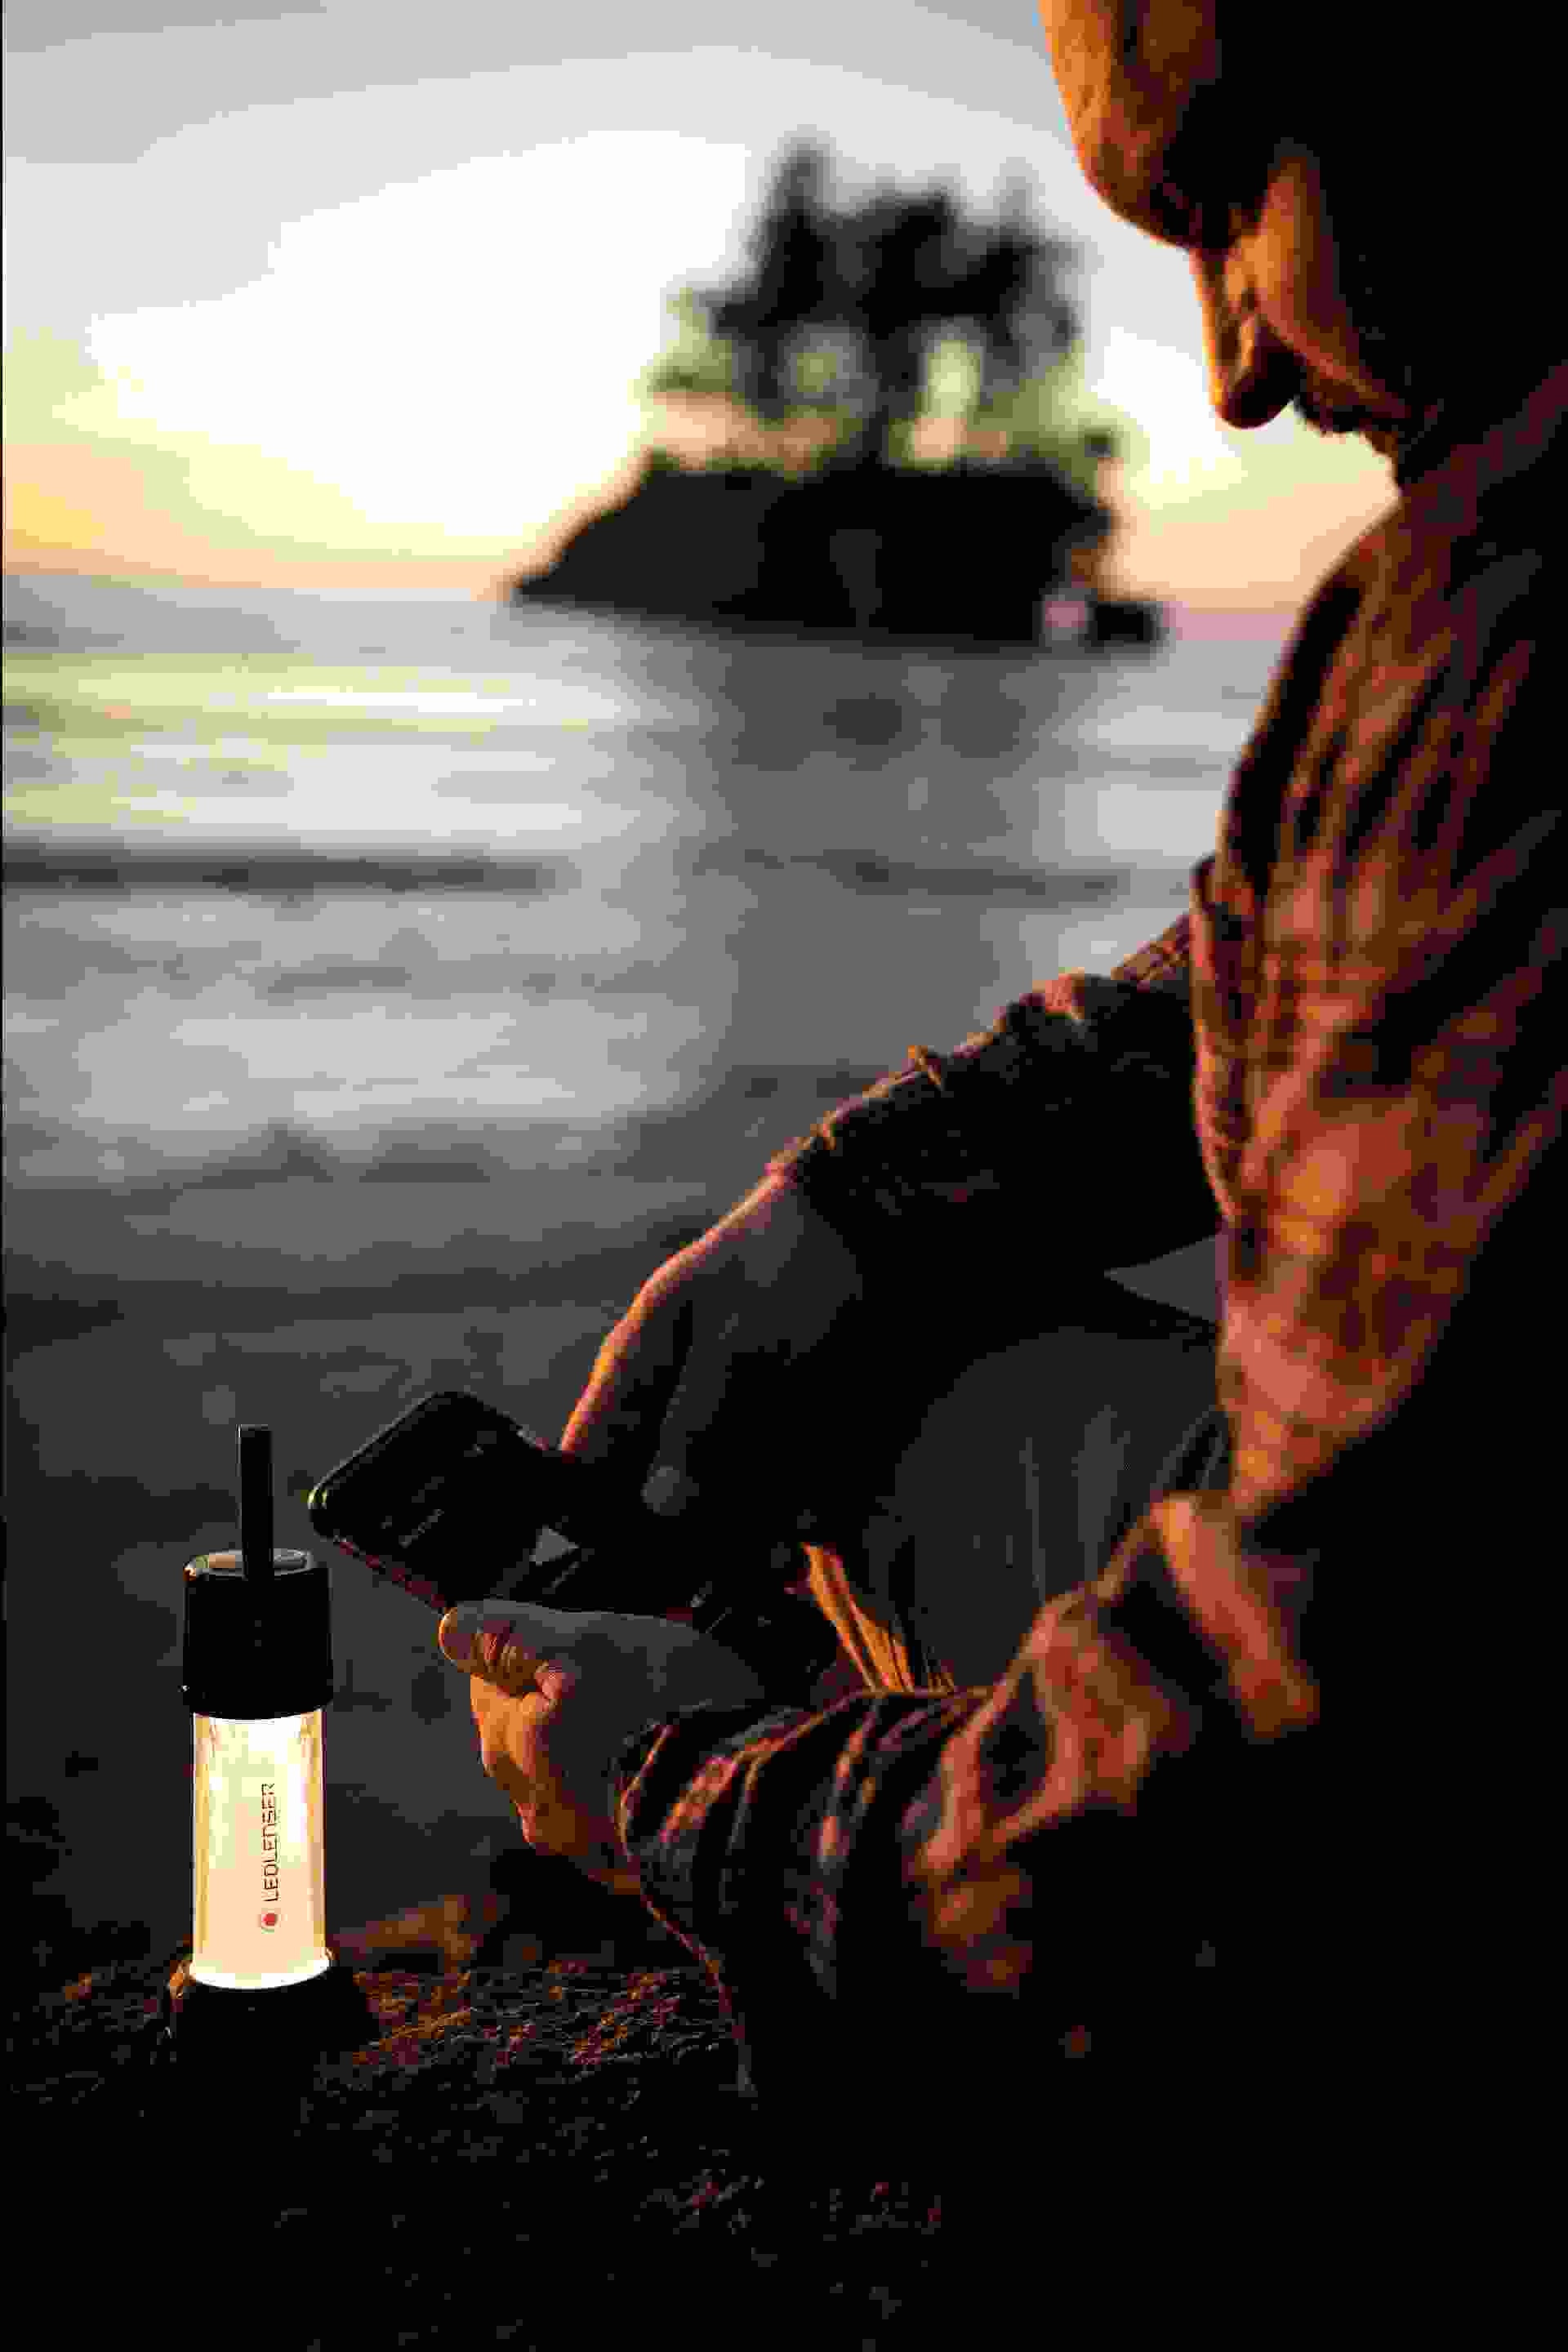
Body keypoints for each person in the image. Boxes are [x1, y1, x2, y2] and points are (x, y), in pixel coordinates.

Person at [439, 0, 1564, 2211]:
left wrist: (687, 1794)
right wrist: (852, 1208)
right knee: (873, 1347)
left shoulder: (1494, 631)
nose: (1234, 367)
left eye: (1226, 202)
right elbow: (1264, 972)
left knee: (857, 1455)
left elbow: (1277, 1826)